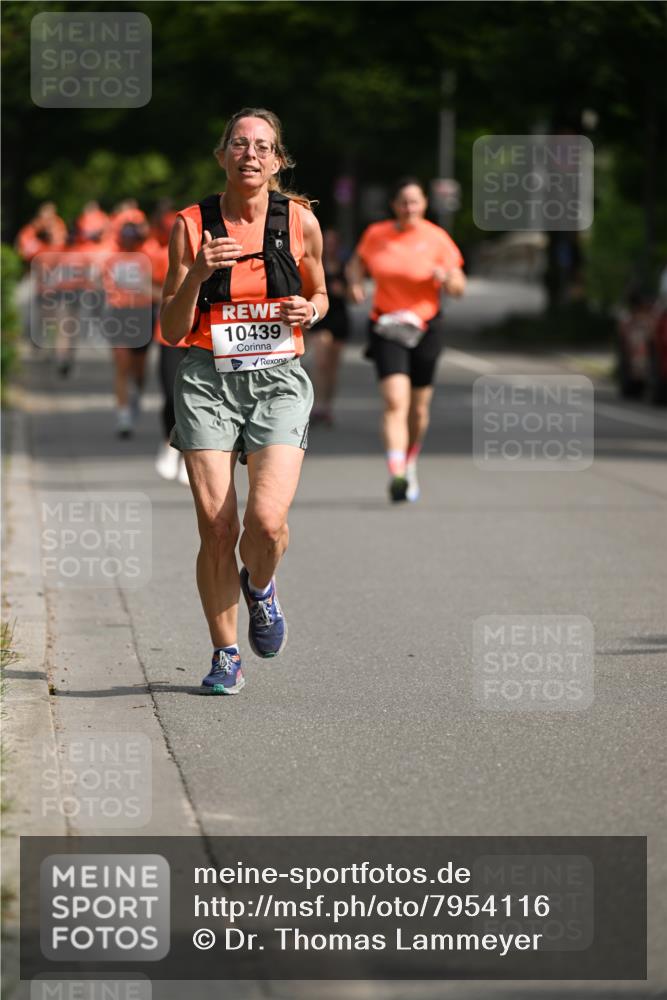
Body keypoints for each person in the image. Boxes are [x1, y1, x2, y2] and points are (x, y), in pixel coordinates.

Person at [160, 107, 327, 695]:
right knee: (216, 526)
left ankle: (261, 587)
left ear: (278, 160)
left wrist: (311, 309)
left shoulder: (300, 221)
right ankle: (225, 653)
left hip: (279, 377)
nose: (250, 154)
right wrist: (196, 275)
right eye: (238, 143)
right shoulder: (190, 225)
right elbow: (172, 330)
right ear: (222, 155)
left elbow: (320, 291)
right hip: (207, 377)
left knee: (266, 522)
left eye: (262, 146)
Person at [347, 178, 465, 502]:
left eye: (415, 202)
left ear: (424, 204)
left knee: (419, 409)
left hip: (426, 327)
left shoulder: (437, 238)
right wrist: (356, 283)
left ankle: (411, 460)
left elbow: (459, 285)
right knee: (395, 402)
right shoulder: (376, 235)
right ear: (394, 205)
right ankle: (397, 472)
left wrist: (447, 279)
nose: (409, 208)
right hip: (387, 326)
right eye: (403, 202)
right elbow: (356, 263)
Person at [102, 221, 154, 437]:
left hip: (142, 313)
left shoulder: (147, 258)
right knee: (122, 363)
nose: (128, 242)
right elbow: (102, 284)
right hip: (119, 313)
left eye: (133, 238)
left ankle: (137, 394)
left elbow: (156, 283)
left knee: (139, 369)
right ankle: (123, 416)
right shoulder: (112, 260)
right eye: (125, 237)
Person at [307, 228, 350, 425]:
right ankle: (317, 406)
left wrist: (344, 291)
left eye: (334, 243)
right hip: (320, 319)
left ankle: (327, 406)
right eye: (327, 242)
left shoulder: (345, 267)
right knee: (321, 363)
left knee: (332, 368)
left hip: (339, 318)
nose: (330, 246)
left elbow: (355, 295)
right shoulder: (316, 264)